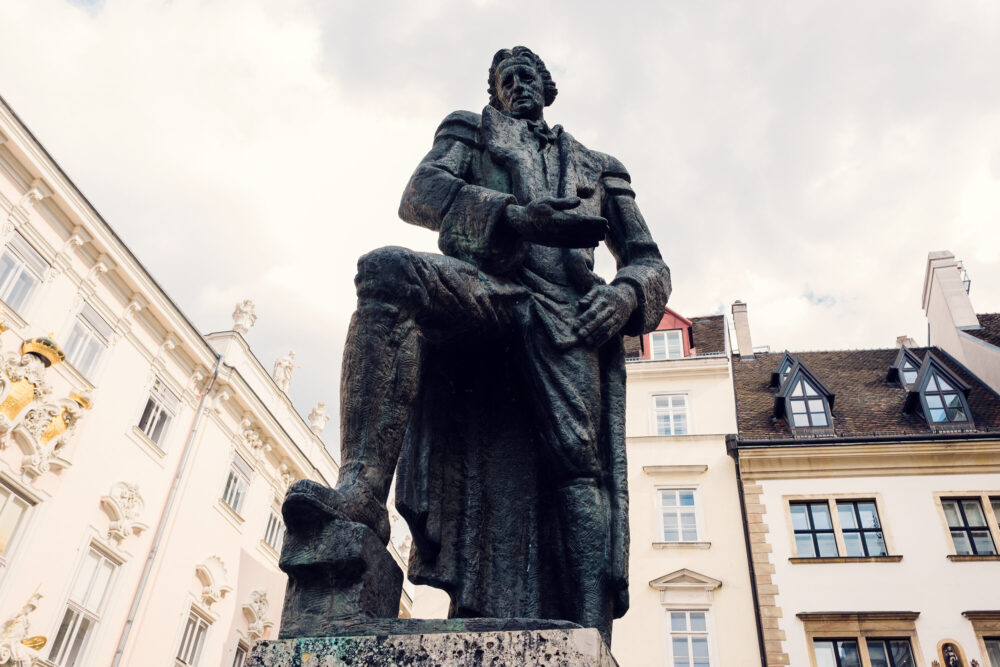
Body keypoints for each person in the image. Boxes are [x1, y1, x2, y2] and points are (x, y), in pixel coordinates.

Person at [285, 46, 669, 644]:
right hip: (492, 288)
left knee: (577, 461)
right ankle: (359, 492)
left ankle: (590, 627)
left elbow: (648, 261)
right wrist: (517, 216)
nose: (517, 85)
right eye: (504, 79)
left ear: (548, 87)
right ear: (493, 91)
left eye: (527, 76)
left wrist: (624, 296)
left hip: (569, 311)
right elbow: (421, 193)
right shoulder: (470, 131)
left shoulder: (600, 167)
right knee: (385, 272)